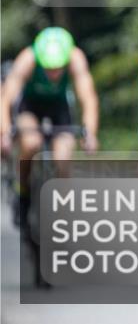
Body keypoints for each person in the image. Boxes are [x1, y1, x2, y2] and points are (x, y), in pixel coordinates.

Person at [0, 27, 100, 225]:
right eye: (48, 68)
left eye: (58, 68)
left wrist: (90, 133)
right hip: (30, 105)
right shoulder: (27, 59)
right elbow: (6, 99)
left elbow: (88, 99)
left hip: (59, 107)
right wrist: (5, 133)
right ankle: (23, 191)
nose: (53, 73)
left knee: (64, 155)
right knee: (31, 143)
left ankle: (63, 210)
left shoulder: (75, 58)